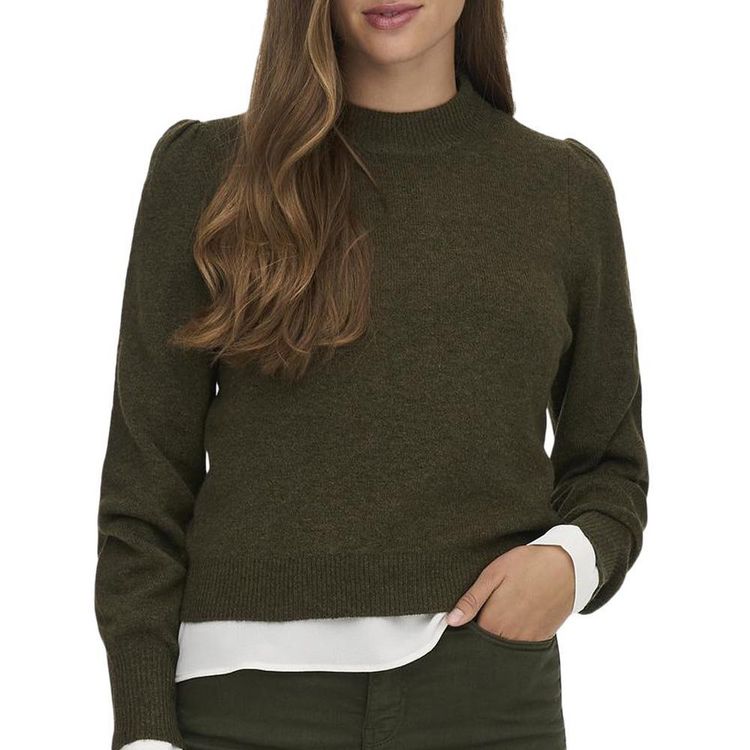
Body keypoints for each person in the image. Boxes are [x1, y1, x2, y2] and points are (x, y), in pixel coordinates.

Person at [94, 1, 649, 748]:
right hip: (240, 707)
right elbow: (146, 482)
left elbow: (610, 465)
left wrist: (570, 563)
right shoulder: (208, 172)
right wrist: (142, 730)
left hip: (486, 696)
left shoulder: (562, 190)